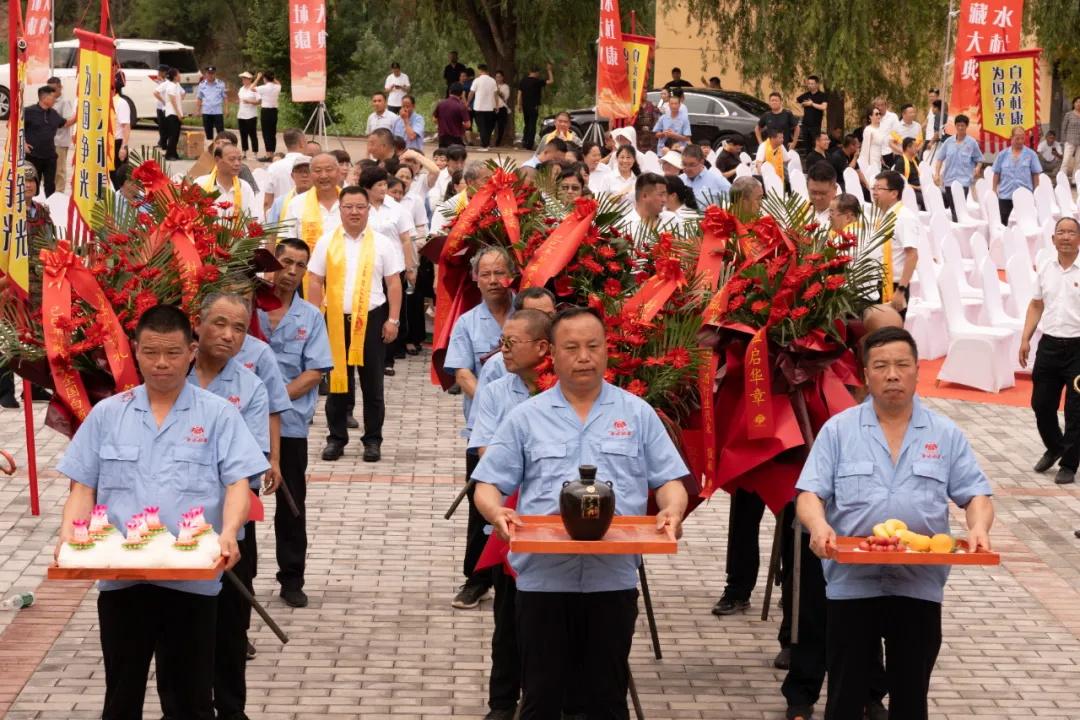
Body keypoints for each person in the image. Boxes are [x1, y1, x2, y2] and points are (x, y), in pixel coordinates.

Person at [472, 306, 690, 720]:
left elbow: (668, 480)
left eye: (593, 346)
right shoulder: (526, 417)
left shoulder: (636, 413)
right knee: (541, 697)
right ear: (551, 354)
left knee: (606, 699)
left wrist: (671, 511)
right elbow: (487, 484)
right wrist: (496, 512)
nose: (583, 356)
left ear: (608, 350)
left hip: (613, 581)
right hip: (542, 582)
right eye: (571, 347)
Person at [54, 305, 268, 720]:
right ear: (135, 351)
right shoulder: (108, 415)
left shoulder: (218, 414)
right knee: (121, 698)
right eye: (151, 352)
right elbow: (83, 486)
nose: (161, 363)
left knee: (189, 699)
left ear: (191, 350)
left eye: (172, 353)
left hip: (193, 582)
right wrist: (70, 532)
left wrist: (229, 531)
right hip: (123, 581)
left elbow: (239, 482)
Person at [798, 327, 994, 720]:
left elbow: (976, 495)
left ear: (917, 371)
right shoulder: (839, 431)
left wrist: (978, 528)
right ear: (865, 373)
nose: (892, 374)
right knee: (844, 696)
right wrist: (818, 526)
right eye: (881, 366)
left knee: (911, 697)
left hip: (918, 582)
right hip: (851, 583)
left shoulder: (945, 433)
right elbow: (809, 494)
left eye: (902, 365)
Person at [183, 293, 281, 720]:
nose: (227, 334)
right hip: (171, 531)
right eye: (219, 323)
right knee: (183, 635)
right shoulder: (169, 374)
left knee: (229, 630)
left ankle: (232, 708)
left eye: (239, 328)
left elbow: (248, 463)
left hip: (227, 528)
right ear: (198, 324)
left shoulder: (250, 387)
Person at [468, 307, 553, 720]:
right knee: (509, 615)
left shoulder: (566, 390)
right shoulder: (497, 389)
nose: (503, 350)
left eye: (511, 343)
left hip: (557, 520)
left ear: (542, 348)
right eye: (502, 341)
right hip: (511, 512)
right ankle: (502, 702)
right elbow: (485, 451)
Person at [258, 239, 333, 608]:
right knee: (237, 501)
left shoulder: (311, 317)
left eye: (299, 265)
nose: (290, 271)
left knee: (291, 503)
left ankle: (292, 577)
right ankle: (238, 575)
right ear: (271, 263)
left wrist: (273, 400)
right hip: (239, 423)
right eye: (285, 262)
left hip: (289, 425)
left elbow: (315, 371)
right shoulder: (246, 308)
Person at [307, 186, 403, 463]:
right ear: (340, 210)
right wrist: (315, 318)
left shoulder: (382, 243)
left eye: (360, 206)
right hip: (335, 319)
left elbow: (393, 283)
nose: (354, 212)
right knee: (338, 384)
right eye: (348, 206)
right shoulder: (327, 241)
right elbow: (314, 279)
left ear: (368, 209)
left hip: (372, 319)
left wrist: (392, 319)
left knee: (373, 385)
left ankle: (373, 440)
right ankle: (336, 439)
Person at [444, 246, 517, 610]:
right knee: (482, 503)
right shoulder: (468, 322)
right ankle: (476, 578)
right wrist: (496, 405)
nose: (493, 280)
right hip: (486, 430)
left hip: (528, 430)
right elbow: (461, 372)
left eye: (499, 273)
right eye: (485, 274)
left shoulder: (529, 311)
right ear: (474, 278)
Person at [1019, 216, 1080, 485]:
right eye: (1061, 232)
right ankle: (1055, 446)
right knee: (1041, 404)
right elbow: (1036, 304)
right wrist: (1025, 338)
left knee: (1076, 411)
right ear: (1053, 239)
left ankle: (1069, 463)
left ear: (1079, 238)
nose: (1065, 237)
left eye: (1071, 232)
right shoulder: (1046, 267)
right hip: (1050, 344)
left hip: (1078, 348)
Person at [870, 171, 919, 318]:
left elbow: (912, 256)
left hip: (895, 286)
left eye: (879, 188)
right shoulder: (883, 215)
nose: (874, 192)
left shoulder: (904, 217)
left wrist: (901, 290)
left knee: (890, 333)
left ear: (894, 193)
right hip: (877, 283)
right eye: (873, 188)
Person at [284, 153, 342, 252]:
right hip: (308, 265)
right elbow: (287, 241)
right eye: (318, 171)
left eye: (328, 170)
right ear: (311, 174)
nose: (323, 175)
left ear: (338, 172)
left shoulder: (351, 202)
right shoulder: (296, 203)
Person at [933, 115, 982, 221]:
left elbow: (979, 159)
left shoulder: (972, 143)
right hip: (949, 180)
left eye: (963, 126)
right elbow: (940, 159)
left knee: (960, 208)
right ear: (955, 126)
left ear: (966, 126)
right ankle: (956, 227)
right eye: (958, 125)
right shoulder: (948, 142)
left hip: (964, 180)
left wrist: (977, 168)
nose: (960, 128)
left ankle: (959, 226)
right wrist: (937, 173)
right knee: (952, 208)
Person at [23, 85, 71, 197]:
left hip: (50, 157)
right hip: (33, 155)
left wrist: (80, 115)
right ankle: (32, 208)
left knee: (50, 186)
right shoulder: (28, 111)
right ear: (45, 98)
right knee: (33, 183)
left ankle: (49, 209)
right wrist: (23, 143)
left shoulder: (53, 113)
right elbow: (15, 127)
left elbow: (65, 123)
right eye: (53, 97)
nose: (55, 100)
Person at [992, 126, 1042, 224]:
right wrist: (994, 189)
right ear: (1011, 137)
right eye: (1017, 138)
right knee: (1003, 221)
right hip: (1005, 195)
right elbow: (997, 173)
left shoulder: (1031, 155)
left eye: (1022, 138)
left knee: (1025, 222)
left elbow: (1035, 174)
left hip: (1025, 194)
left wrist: (1036, 192)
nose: (1020, 141)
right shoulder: (1003, 154)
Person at [196, 143, 260, 220]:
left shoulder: (244, 187)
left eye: (239, 159)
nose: (237, 163)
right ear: (217, 160)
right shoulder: (201, 184)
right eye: (232, 159)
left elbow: (252, 218)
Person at [621, 172, 676, 246]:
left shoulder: (673, 220)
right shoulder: (624, 226)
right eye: (661, 194)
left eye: (665, 194)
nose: (664, 200)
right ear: (644, 196)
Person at [263, 128, 308, 212]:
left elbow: (267, 202)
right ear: (302, 143)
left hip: (280, 216)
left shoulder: (273, 167)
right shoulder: (310, 164)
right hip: (306, 215)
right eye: (306, 142)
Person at [46, 77, 74, 192]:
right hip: (47, 141)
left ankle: (59, 194)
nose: (51, 91)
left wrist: (54, 123)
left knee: (59, 170)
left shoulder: (64, 102)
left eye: (53, 89)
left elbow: (68, 121)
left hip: (59, 141)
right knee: (47, 169)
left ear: (60, 87)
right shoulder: (47, 100)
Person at [518, 63, 554, 151]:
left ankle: (525, 141)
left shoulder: (523, 81)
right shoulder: (537, 81)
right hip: (534, 106)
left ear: (529, 72)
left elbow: (519, 94)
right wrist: (549, 70)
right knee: (532, 125)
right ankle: (529, 144)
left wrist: (519, 105)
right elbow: (551, 81)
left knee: (526, 124)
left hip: (525, 105)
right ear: (537, 72)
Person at [467, 64, 499, 151]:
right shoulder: (492, 81)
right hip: (490, 107)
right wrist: (497, 105)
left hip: (479, 107)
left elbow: (471, 93)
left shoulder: (477, 80)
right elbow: (495, 94)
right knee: (488, 127)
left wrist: (468, 102)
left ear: (480, 70)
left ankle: (484, 145)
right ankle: (486, 144)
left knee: (481, 127)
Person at [796, 75, 828, 152]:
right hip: (805, 125)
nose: (810, 85)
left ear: (817, 84)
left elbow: (824, 107)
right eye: (809, 83)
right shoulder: (806, 95)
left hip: (815, 126)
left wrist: (812, 104)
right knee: (807, 146)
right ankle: (808, 161)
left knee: (816, 145)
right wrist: (803, 104)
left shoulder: (822, 95)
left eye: (812, 83)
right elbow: (797, 101)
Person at [196, 66, 228, 140]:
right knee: (208, 134)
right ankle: (210, 150)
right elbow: (199, 98)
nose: (210, 75)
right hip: (206, 112)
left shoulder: (221, 84)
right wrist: (198, 110)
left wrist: (226, 109)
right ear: (206, 74)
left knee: (221, 134)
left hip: (217, 112)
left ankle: (220, 150)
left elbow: (225, 97)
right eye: (209, 73)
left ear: (215, 74)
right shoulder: (202, 84)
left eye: (212, 73)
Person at [159, 68, 185, 161]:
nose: (180, 76)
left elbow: (180, 96)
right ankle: (169, 155)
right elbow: (173, 101)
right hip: (172, 114)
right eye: (178, 74)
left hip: (176, 113)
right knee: (173, 135)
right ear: (174, 76)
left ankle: (174, 153)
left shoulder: (176, 85)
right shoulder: (170, 86)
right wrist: (178, 114)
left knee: (176, 135)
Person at [434, 83, 471, 148]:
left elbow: (434, 119)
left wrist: (442, 124)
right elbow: (468, 125)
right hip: (456, 138)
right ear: (462, 93)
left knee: (443, 156)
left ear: (450, 91)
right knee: (456, 156)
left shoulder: (441, 104)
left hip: (443, 137)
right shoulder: (461, 106)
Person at [255, 71, 282, 160]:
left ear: (265, 79)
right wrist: (272, 77)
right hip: (274, 111)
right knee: (272, 132)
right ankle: (272, 153)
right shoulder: (277, 87)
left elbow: (252, 88)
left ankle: (268, 154)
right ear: (272, 78)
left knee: (266, 133)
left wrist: (258, 78)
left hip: (266, 111)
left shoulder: (263, 88)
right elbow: (278, 83)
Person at [235, 72, 261, 159]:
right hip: (241, 115)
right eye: (243, 79)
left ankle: (255, 153)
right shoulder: (241, 89)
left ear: (250, 79)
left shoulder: (254, 89)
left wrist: (249, 102)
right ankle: (244, 152)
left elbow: (259, 101)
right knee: (243, 135)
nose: (243, 80)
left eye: (245, 78)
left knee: (252, 134)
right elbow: (240, 99)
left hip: (251, 115)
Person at [892, 136, 923, 208]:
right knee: (926, 199)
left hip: (920, 188)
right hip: (909, 191)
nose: (917, 148)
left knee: (941, 195)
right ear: (908, 148)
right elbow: (900, 182)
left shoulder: (915, 160)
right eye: (915, 146)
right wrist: (917, 187)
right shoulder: (901, 162)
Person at [858, 106, 887, 173]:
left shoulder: (880, 129)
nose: (879, 116)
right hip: (871, 161)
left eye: (879, 113)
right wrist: (867, 166)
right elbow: (865, 149)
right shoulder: (868, 130)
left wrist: (881, 159)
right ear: (870, 117)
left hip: (878, 160)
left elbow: (879, 147)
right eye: (876, 114)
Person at [872, 96, 900, 165]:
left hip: (889, 152)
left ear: (886, 105)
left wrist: (894, 150)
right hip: (877, 154)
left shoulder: (893, 117)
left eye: (882, 105)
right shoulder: (873, 118)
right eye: (878, 105)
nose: (880, 107)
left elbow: (897, 134)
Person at [1059, 96, 1080, 184]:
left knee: (1078, 161)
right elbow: (1063, 128)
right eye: (1077, 102)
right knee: (1066, 160)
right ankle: (1061, 179)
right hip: (1069, 140)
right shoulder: (1069, 114)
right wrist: (1063, 141)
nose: (1079, 104)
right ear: (1073, 103)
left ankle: (1075, 180)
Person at [493, 70, 511, 146]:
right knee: (491, 124)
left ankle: (498, 142)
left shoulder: (505, 86)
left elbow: (505, 97)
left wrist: (498, 91)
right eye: (496, 77)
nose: (498, 78)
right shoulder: (492, 85)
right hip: (492, 107)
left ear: (503, 78)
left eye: (499, 77)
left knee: (501, 126)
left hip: (502, 107)